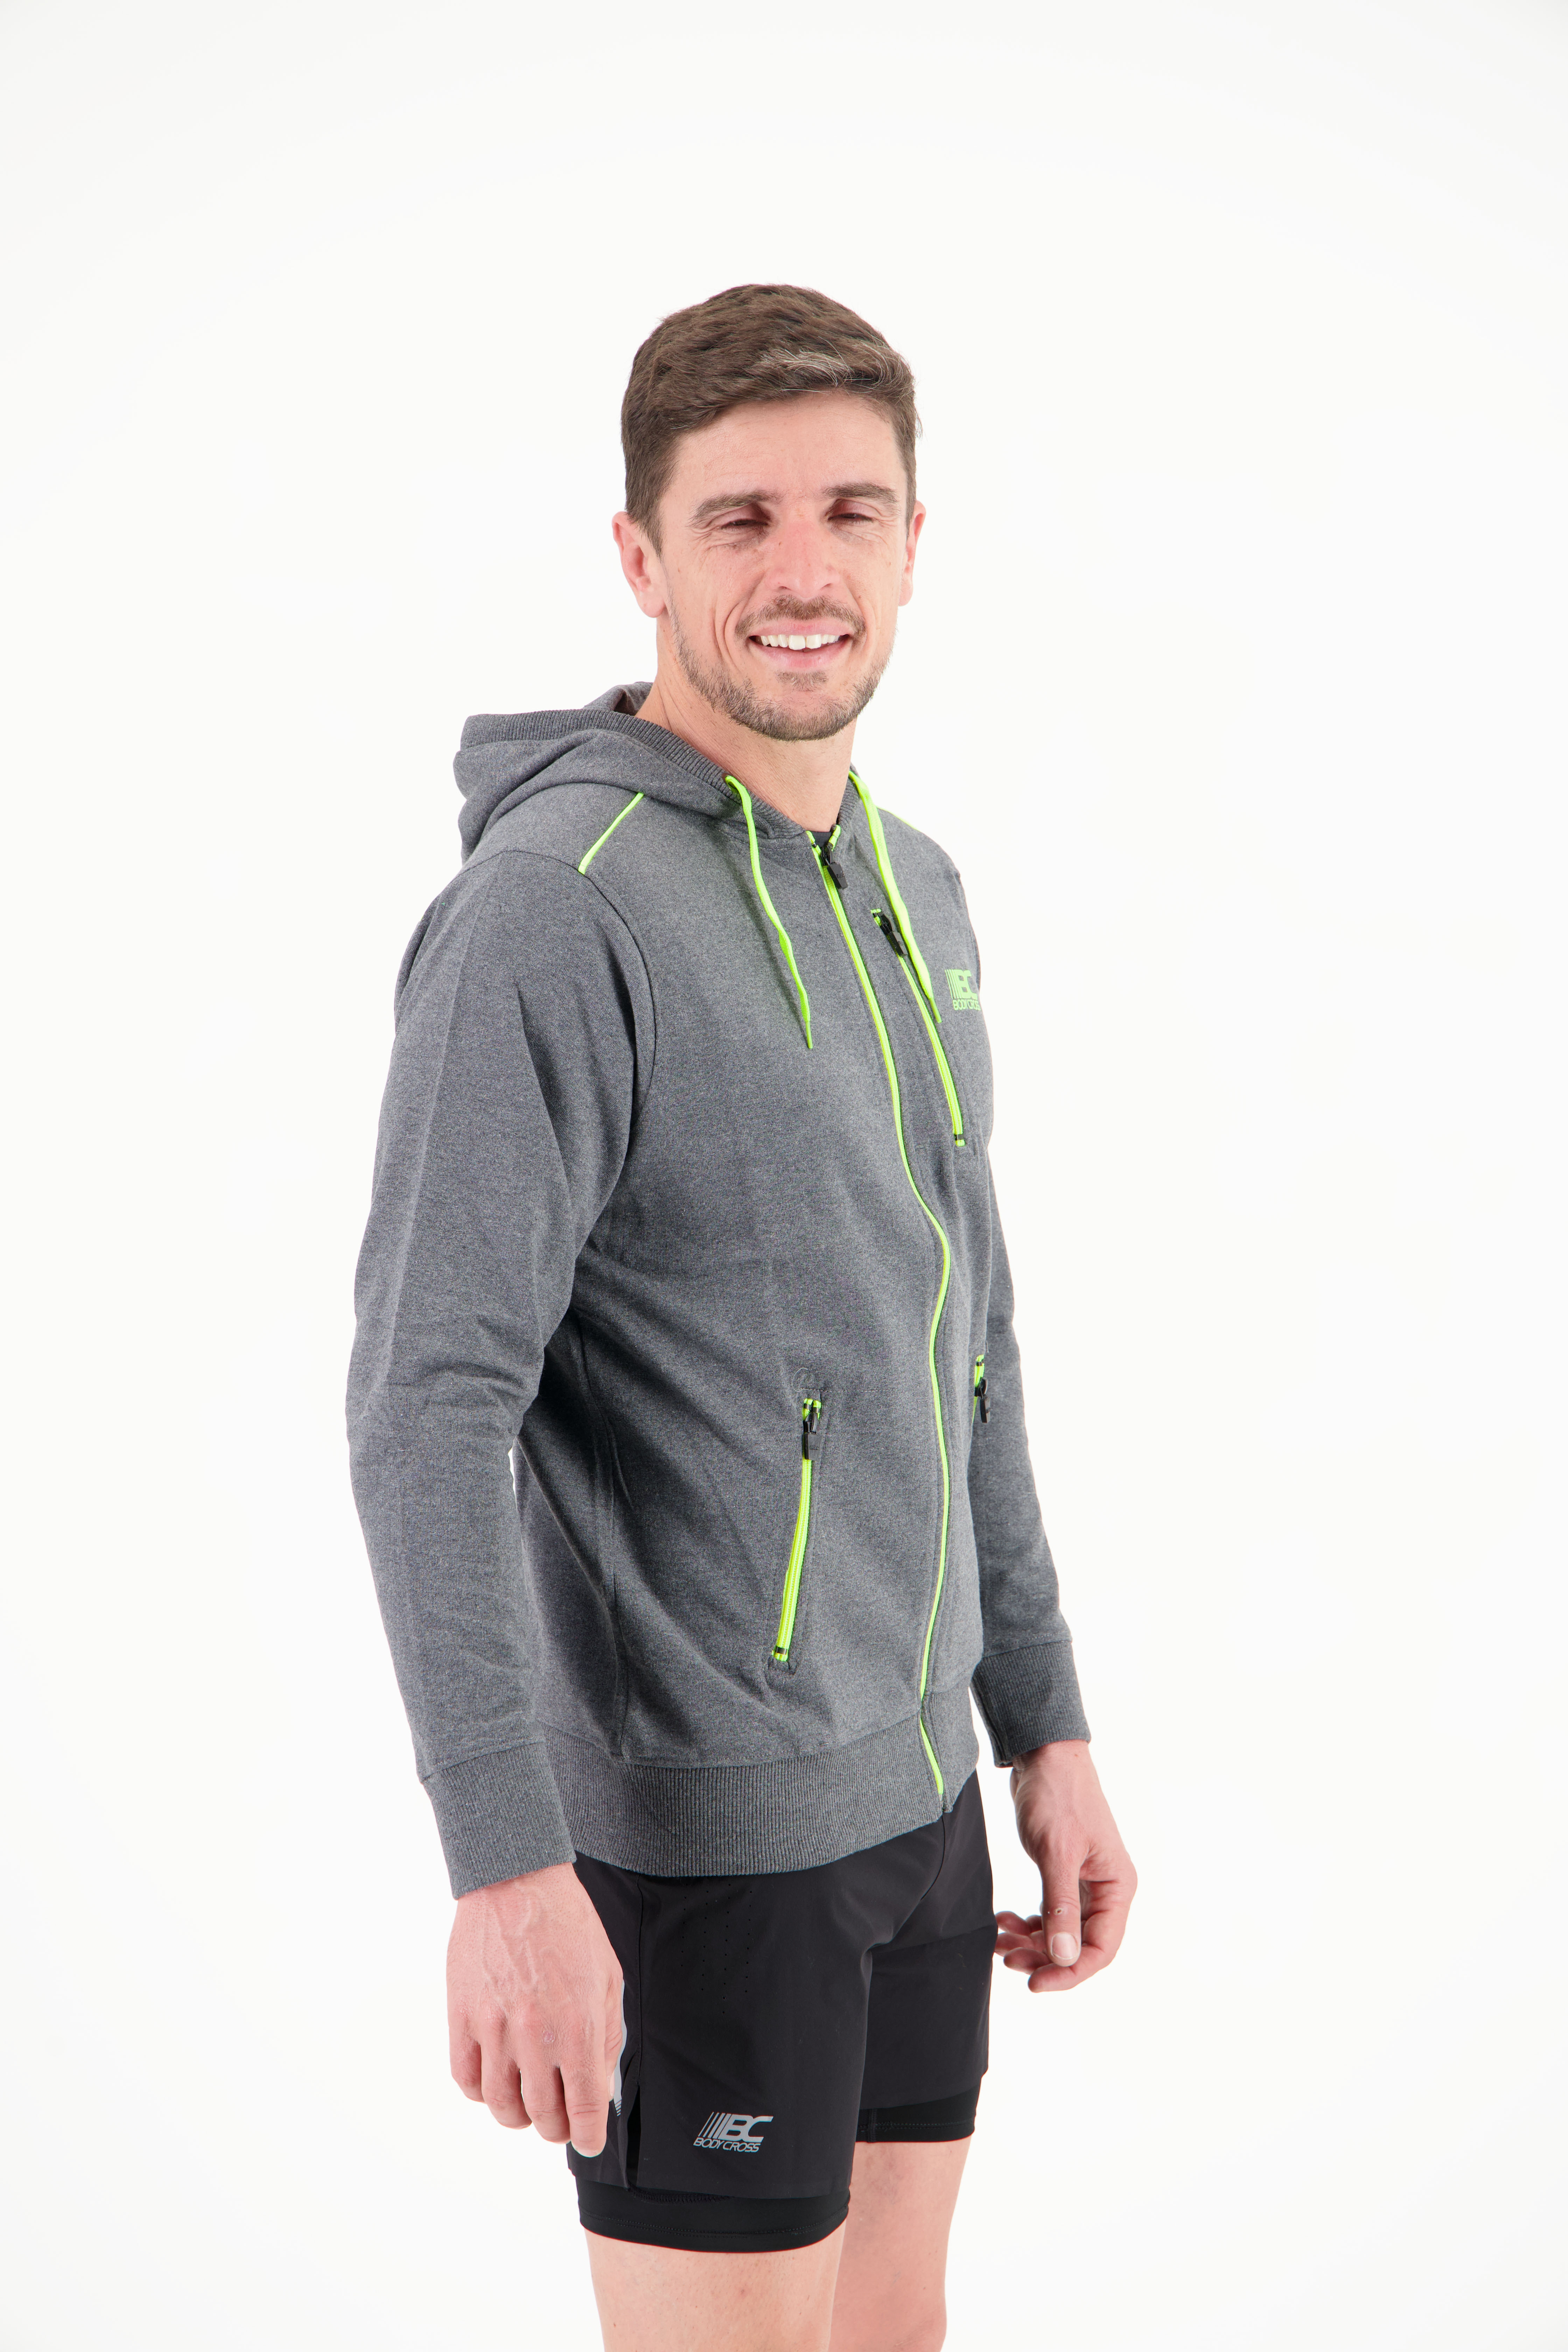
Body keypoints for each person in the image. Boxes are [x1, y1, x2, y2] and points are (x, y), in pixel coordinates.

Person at [347, 282, 1136, 2352]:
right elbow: (428, 1404)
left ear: (914, 544)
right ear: (642, 557)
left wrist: (1041, 1721)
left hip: (919, 1809)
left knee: (895, 2334)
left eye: (851, 512)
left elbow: (966, 1338)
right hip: (701, 1851)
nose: (805, 571)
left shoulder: (912, 886)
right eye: (740, 519)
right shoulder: (553, 914)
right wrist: (505, 1869)